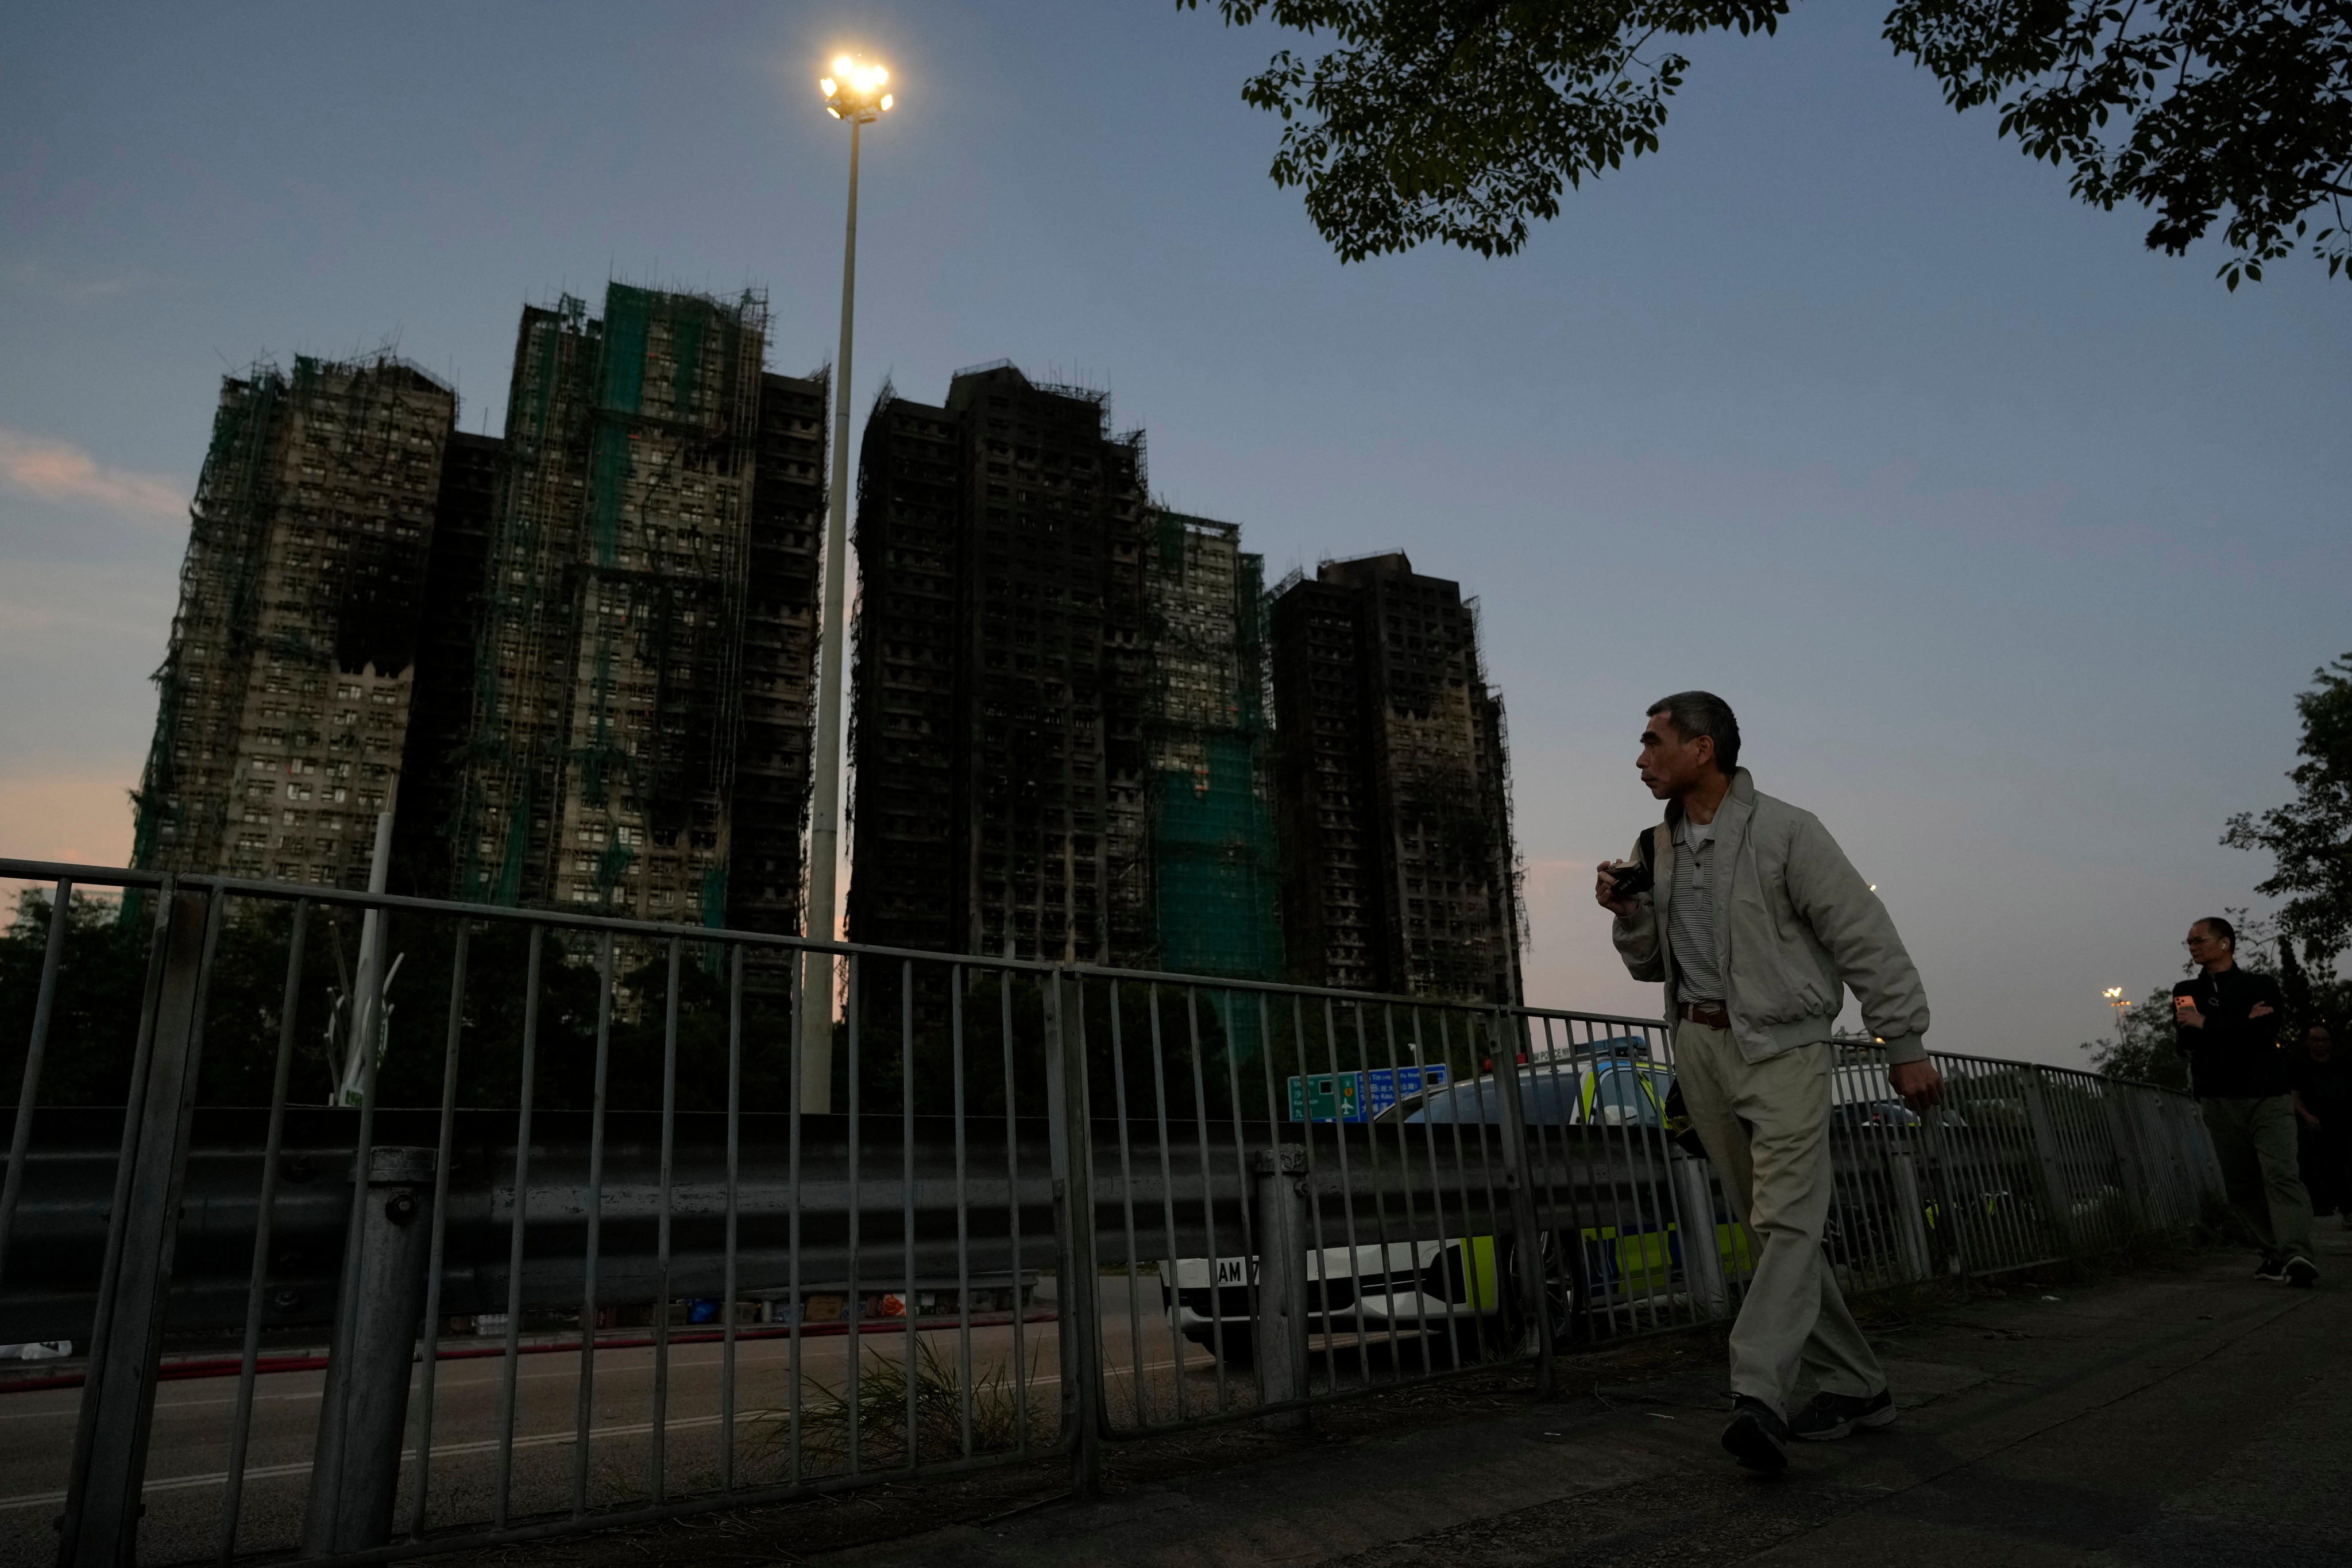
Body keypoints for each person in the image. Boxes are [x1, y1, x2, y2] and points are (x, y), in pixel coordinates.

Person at [1596, 692, 1938, 1474]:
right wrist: (1626, 914)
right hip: (1701, 1046)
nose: (1640, 756)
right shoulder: (1654, 844)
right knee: (1767, 1227)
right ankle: (1855, 1382)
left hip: (1781, 1048)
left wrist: (1904, 1042)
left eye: (1653, 741)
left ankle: (1756, 1392)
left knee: (1785, 1221)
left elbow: (1863, 934)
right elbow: (1652, 962)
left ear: (1701, 748)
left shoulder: (1787, 829)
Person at [2171, 918, 2318, 1285]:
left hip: (2267, 1096)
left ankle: (2297, 1254)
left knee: (2281, 1175)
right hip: (2219, 1099)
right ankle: (2274, 1254)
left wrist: (2209, 1023)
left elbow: (2265, 1033)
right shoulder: (2185, 989)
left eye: (2199, 940)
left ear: (2224, 943)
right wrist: (2237, 1024)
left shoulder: (2260, 985)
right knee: (2241, 1185)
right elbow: (2188, 1039)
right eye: (2188, 942)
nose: (2192, 946)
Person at [2288, 1020, 2351, 1227]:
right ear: (2308, 1042)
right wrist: (2306, 1116)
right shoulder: (2301, 1066)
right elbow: (2294, 1096)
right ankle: (2319, 1209)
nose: (2320, 1044)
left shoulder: (2342, 1064)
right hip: (2313, 1126)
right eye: (2315, 1040)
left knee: (2343, 1167)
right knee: (2315, 1167)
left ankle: (2347, 1211)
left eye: (2324, 1040)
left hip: (2341, 1123)